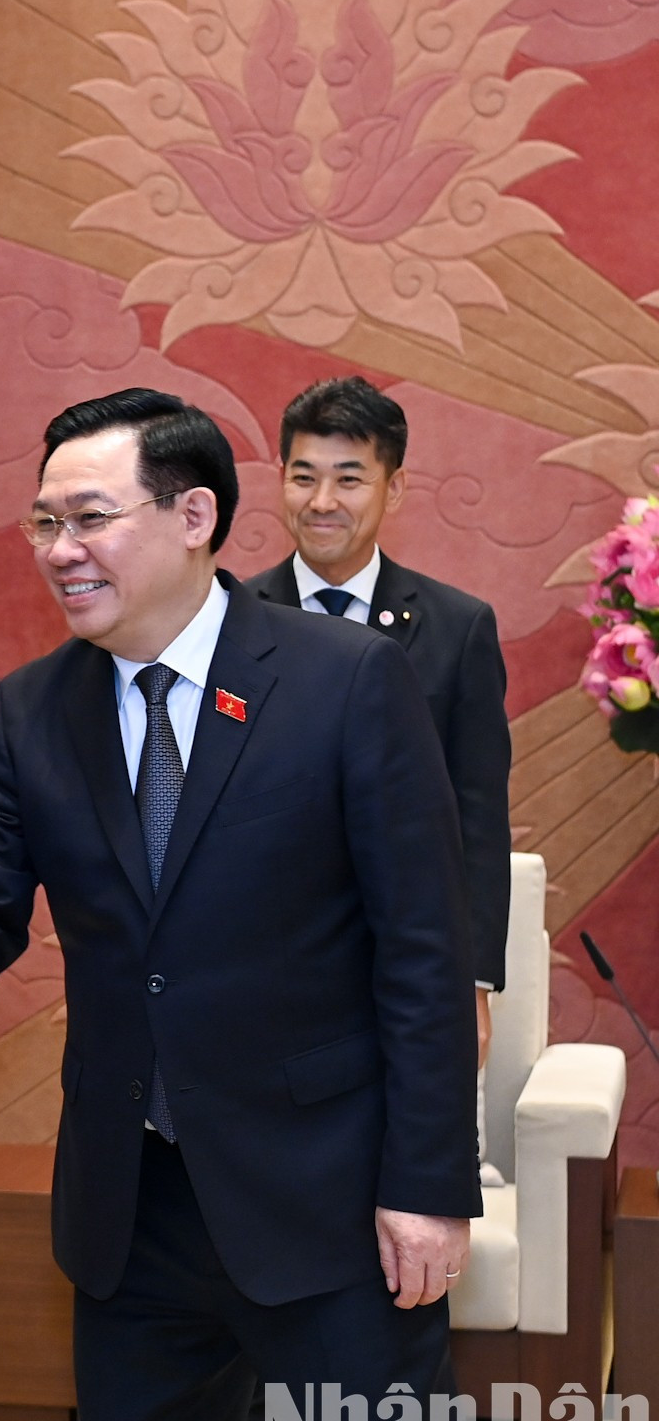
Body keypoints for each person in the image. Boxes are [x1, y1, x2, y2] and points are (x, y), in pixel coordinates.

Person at [0, 389, 481, 1421]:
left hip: (326, 1199)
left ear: (194, 517)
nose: (60, 551)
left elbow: (422, 948)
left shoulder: (344, 683)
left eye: (89, 518)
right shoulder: (33, 712)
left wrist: (429, 1183)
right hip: (134, 1211)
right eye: (44, 524)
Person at [246, 377, 510, 1056]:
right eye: (303, 477)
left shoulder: (458, 629)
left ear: (393, 489)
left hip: (404, 961)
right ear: (280, 480)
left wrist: (472, 983)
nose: (322, 502)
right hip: (258, 964)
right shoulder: (227, 625)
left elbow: (477, 818)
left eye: (350, 480)